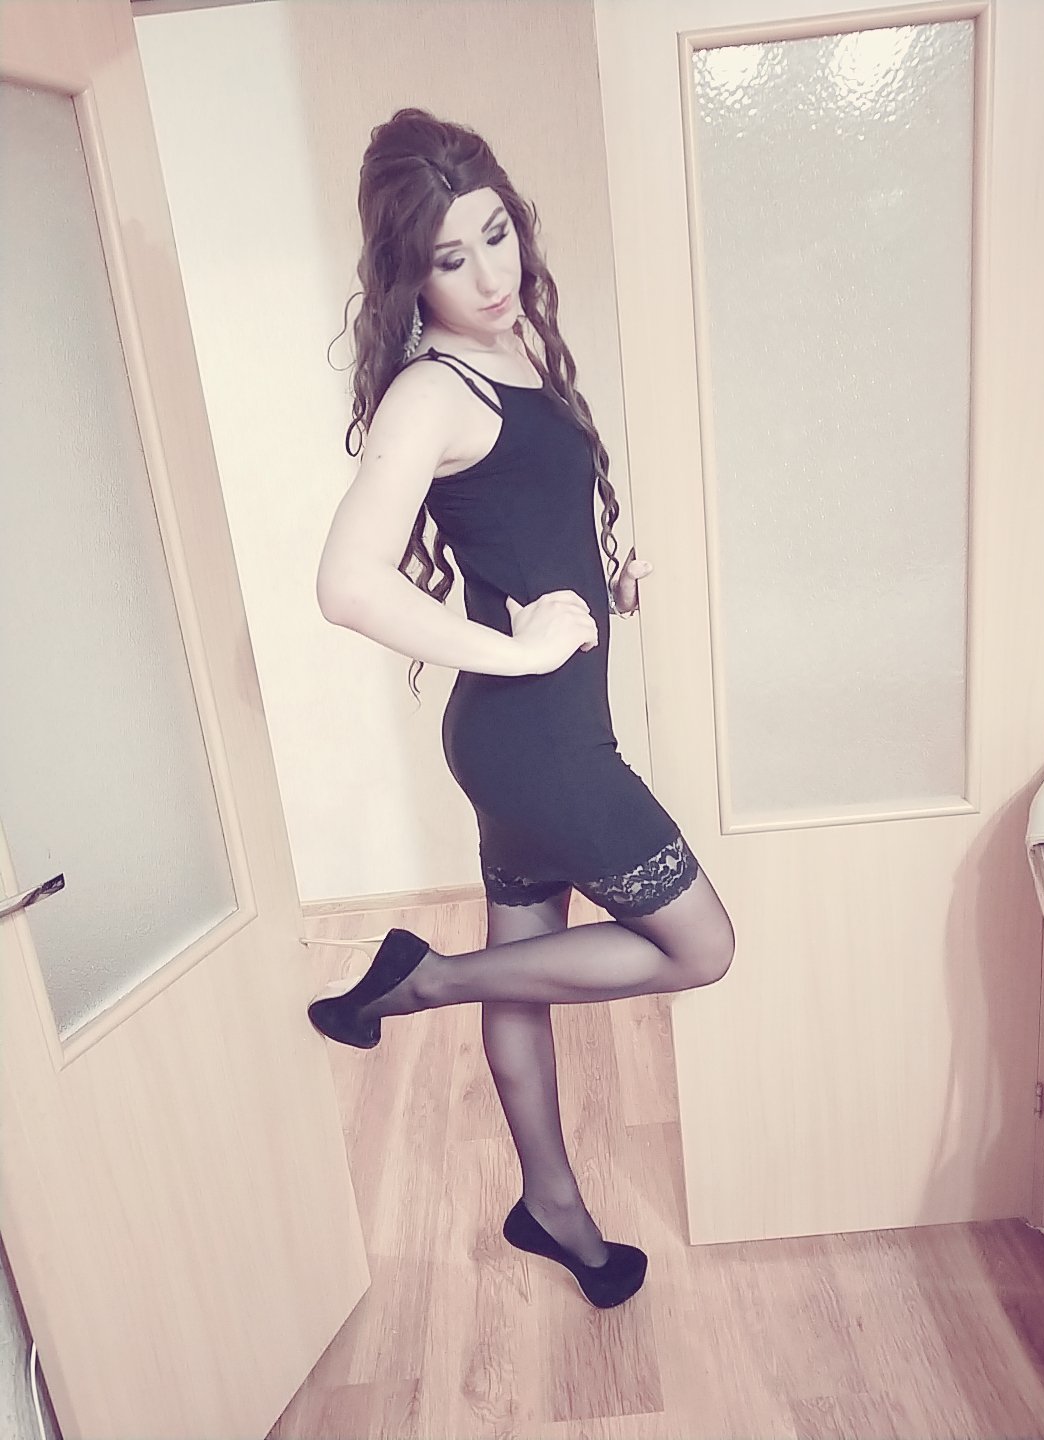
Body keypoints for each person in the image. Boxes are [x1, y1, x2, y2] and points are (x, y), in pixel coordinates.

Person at [309, 109, 736, 1309]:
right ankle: (421, 981)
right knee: (702, 947)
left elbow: (527, 531)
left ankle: (554, 1211)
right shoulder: (429, 392)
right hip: (537, 744)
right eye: (452, 259)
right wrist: (513, 646)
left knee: (524, 970)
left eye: (496, 235)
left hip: (525, 737)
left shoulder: (516, 347)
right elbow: (346, 584)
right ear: (411, 275)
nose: (490, 276)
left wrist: (606, 586)